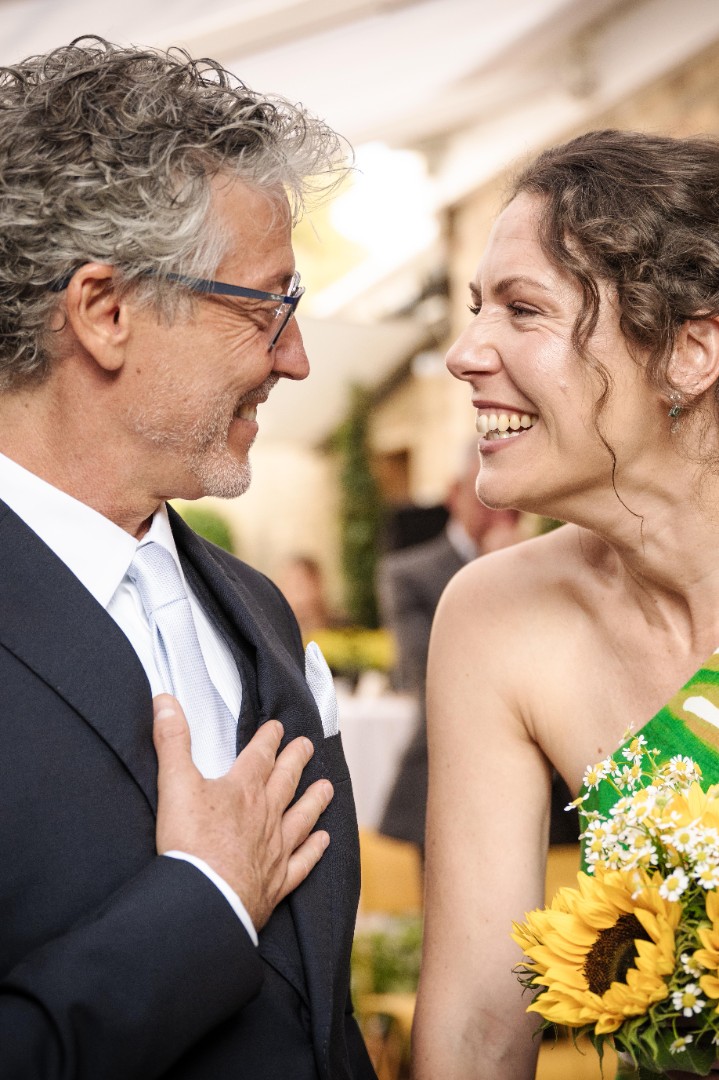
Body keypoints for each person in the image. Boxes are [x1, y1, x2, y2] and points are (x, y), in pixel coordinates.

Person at [0, 37, 377, 1080]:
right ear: (106, 310)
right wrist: (199, 906)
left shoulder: (256, 610)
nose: (295, 358)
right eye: (268, 305)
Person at [412, 128, 719, 1080]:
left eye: (523, 309)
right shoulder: (493, 617)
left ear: (689, 350)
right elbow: (471, 1027)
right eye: (474, 309)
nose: (466, 355)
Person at [376, 450, 537, 852]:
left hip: (538, 791)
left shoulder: (544, 569)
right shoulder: (409, 573)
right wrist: (494, 577)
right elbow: (432, 679)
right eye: (487, 493)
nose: (504, 509)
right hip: (441, 778)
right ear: (455, 494)